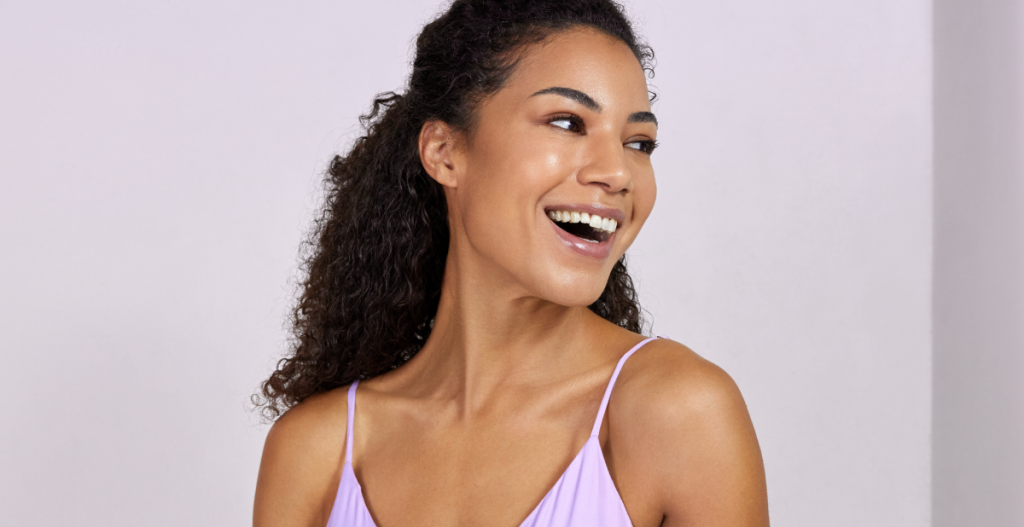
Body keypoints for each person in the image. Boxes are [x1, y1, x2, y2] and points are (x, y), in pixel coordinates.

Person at [253, 0, 769, 525]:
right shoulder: (315, 452)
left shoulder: (678, 413)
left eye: (638, 142)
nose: (617, 173)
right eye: (567, 122)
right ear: (445, 151)